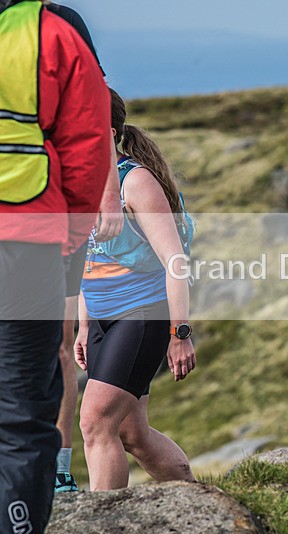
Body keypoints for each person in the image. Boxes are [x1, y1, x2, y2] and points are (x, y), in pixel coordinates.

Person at [0, 0, 110, 530]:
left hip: (33, 242)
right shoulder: (51, 33)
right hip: (29, 245)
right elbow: (89, 144)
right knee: (22, 412)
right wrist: (68, 240)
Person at [75, 88, 197, 491]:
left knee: (95, 421)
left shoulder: (136, 183)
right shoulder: (78, 181)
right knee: (133, 435)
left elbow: (175, 262)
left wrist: (179, 333)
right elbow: (84, 257)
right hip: (100, 320)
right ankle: (199, 501)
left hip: (141, 315)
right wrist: (82, 324)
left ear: (106, 132)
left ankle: (102, 522)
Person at [47, 1, 125, 494]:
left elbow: (93, 104)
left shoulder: (62, 20)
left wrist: (110, 190)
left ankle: (55, 470)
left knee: (54, 346)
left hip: (53, 206)